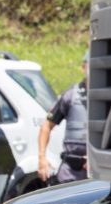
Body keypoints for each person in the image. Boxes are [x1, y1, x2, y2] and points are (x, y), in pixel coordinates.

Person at [38, 52, 88, 184]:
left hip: (99, 171)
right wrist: (42, 158)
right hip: (70, 171)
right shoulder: (71, 96)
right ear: (84, 67)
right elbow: (46, 127)